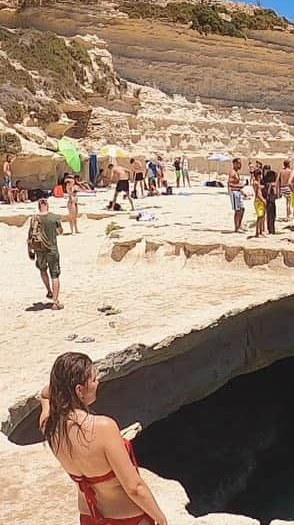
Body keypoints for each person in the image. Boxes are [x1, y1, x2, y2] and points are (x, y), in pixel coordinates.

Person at [38, 352, 168, 525]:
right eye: (93, 379)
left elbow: (45, 394)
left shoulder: (48, 425)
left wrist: (61, 385)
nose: (98, 382)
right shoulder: (103, 428)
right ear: (79, 390)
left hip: (89, 518)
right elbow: (134, 488)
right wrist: (160, 518)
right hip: (128, 519)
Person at [28, 198, 64, 310]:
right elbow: (60, 231)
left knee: (43, 270)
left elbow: (30, 236)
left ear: (39, 206)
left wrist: (30, 251)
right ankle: (55, 302)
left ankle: (48, 290)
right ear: (47, 205)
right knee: (55, 274)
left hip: (39, 250)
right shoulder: (54, 217)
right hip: (52, 249)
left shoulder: (34, 218)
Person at [228, 158, 245, 233]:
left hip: (238, 192)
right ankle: (236, 227)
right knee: (237, 210)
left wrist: (242, 192)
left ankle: (239, 225)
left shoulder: (236, 172)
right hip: (234, 193)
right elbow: (230, 184)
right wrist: (239, 187)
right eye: (239, 163)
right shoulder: (232, 173)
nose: (240, 165)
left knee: (242, 209)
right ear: (234, 163)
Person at [252, 169, 266, 237]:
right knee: (259, 217)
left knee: (262, 216)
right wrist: (263, 200)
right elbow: (258, 193)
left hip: (260, 200)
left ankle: (260, 231)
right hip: (258, 200)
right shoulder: (256, 183)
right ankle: (257, 233)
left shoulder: (258, 182)